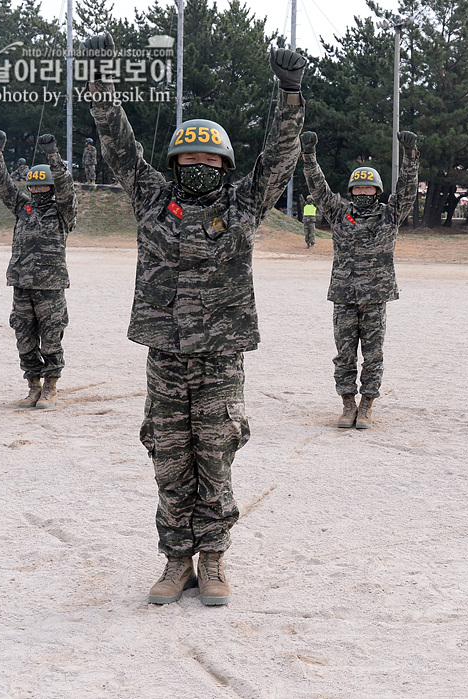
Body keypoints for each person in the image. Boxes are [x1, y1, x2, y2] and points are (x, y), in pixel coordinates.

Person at [82, 31, 308, 606]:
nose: (200, 165)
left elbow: (279, 159)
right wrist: (101, 81)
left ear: (224, 164)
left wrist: (288, 95)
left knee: (215, 452)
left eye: (211, 158)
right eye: (190, 157)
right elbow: (119, 145)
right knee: (168, 455)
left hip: (220, 356)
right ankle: (175, 561)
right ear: (174, 163)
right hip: (165, 356)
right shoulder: (152, 197)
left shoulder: (242, 204)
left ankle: (213, 561)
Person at [299, 130, 420, 429]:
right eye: (358, 189)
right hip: (344, 295)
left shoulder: (390, 215)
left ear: (377, 192)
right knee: (344, 354)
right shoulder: (339, 214)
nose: (363, 193)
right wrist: (309, 157)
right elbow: (319, 188)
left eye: (368, 189)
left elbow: (406, 189)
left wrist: (410, 155)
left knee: (373, 354)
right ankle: (347, 403)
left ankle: (367, 405)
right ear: (351, 191)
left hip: (376, 297)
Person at [0, 132, 76, 410]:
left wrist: (53, 156)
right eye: (33, 187)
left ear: (50, 187)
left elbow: (65, 188)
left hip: (50, 287)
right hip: (21, 284)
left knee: (51, 337)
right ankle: (33, 386)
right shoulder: (23, 207)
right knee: (24, 337)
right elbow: (3, 187)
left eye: (42, 187)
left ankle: (50, 387)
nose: (36, 191)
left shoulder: (63, 211)